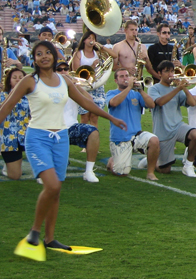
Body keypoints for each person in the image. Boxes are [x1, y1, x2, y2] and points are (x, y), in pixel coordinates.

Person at [1, 41, 126, 261]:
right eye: (38, 54)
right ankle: (34, 233)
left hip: (60, 139)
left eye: (47, 53)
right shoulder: (30, 81)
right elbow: (7, 106)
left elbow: (87, 103)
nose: (43, 57)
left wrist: (111, 117)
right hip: (37, 138)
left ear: (54, 55)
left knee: (56, 191)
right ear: (34, 59)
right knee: (52, 185)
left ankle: (49, 239)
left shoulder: (65, 81)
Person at [147, 61, 196, 177]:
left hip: (178, 126)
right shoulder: (154, 89)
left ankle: (188, 165)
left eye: (172, 71)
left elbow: (193, 103)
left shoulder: (176, 88)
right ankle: (152, 160)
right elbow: (160, 102)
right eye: (167, 71)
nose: (171, 74)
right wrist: (178, 89)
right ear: (159, 73)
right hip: (163, 131)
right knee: (165, 170)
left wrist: (184, 88)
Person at [107, 68, 160, 180]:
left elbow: (151, 105)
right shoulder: (111, 93)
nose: (125, 78)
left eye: (127, 75)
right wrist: (129, 88)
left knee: (154, 140)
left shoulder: (136, 94)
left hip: (136, 134)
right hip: (120, 138)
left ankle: (150, 172)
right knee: (121, 173)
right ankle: (112, 161)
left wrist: (141, 90)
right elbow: (114, 102)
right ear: (116, 80)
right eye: (121, 76)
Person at [55, 60, 103, 182]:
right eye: (59, 69)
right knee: (59, 169)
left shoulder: (74, 88)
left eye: (65, 69)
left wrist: (76, 86)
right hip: (53, 129)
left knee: (93, 131)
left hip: (71, 127)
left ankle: (89, 171)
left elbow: (89, 101)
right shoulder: (50, 87)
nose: (63, 72)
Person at [70, 29, 118, 128]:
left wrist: (101, 46)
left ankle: (93, 138)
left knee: (94, 117)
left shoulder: (98, 52)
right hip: (84, 87)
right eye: (89, 38)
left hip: (97, 86)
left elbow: (114, 55)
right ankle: (84, 139)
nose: (91, 40)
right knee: (84, 117)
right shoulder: (79, 53)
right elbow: (76, 71)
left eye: (93, 38)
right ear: (84, 40)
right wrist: (92, 66)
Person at [0, 68, 29, 180]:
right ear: (9, 80)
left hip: (26, 136)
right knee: (15, 176)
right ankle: (7, 169)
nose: (18, 80)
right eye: (14, 78)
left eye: (21, 78)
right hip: (8, 138)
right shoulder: (2, 96)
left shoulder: (31, 97)